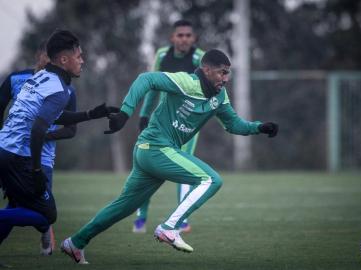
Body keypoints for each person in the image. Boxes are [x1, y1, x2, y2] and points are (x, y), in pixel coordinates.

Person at [60, 49, 278, 264]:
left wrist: (259, 127)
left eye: (228, 73)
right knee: (211, 179)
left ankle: (75, 242)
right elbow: (146, 79)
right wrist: (126, 113)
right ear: (207, 70)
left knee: (123, 206)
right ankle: (169, 228)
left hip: (151, 151)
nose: (226, 78)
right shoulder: (186, 82)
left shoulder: (219, 96)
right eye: (222, 72)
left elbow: (233, 124)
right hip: (155, 147)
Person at [0, 30, 117, 256]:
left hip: (3, 148)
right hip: (15, 157)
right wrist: (35, 171)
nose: (83, 60)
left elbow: (50, 116)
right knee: (46, 215)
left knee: (23, 207)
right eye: (79, 56)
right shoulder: (59, 89)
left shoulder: (40, 78)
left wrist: (92, 113)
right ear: (64, 60)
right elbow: (38, 130)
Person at [0, 41, 77, 255]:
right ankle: (44, 228)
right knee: (20, 205)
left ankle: (44, 229)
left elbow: (71, 129)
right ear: (39, 56)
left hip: (42, 159)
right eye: (47, 57)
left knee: (37, 213)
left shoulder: (66, 89)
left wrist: (45, 135)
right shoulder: (17, 79)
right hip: (13, 153)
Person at [133, 19, 205, 234]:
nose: (184, 39)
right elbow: (153, 85)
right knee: (148, 167)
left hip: (189, 124)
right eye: (180, 35)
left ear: (194, 39)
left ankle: (181, 220)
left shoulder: (200, 58)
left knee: (185, 167)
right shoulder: (162, 55)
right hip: (163, 120)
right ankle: (141, 218)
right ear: (172, 37)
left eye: (188, 35)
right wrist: (144, 114)